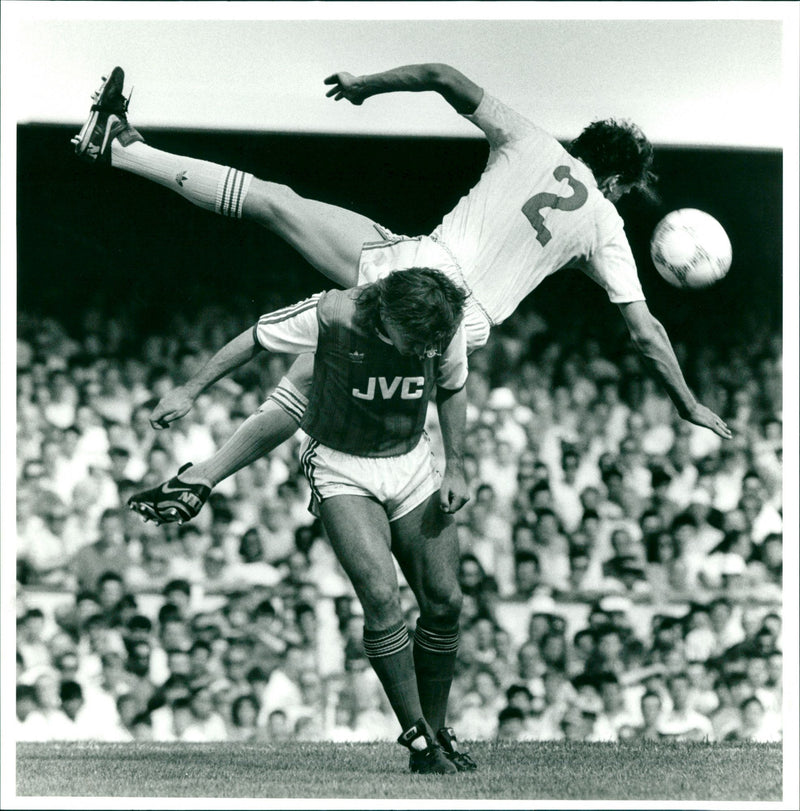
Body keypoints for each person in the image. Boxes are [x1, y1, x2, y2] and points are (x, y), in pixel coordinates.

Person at [72, 63, 731, 525]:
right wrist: (688, 402)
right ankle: (124, 150)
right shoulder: (606, 223)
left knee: (278, 209)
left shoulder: (531, 139)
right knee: (304, 379)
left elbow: (443, 75)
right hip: (441, 309)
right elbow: (644, 332)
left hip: (418, 265)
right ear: (615, 180)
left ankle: (125, 152)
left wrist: (366, 86)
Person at [125, 266, 475, 773]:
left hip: (412, 460)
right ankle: (419, 743)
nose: (419, 350)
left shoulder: (442, 321)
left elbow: (453, 385)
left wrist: (457, 465)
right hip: (342, 463)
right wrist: (189, 389)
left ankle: (439, 731)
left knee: (445, 601)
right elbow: (256, 338)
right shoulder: (333, 314)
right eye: (412, 340)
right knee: (380, 597)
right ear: (385, 313)